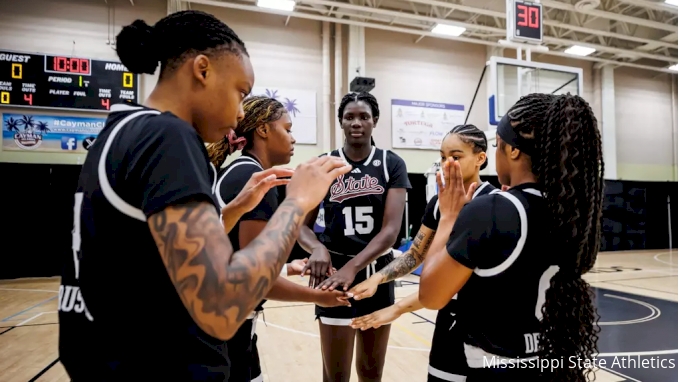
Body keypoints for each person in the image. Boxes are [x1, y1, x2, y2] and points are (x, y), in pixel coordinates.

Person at [57, 10, 351, 381]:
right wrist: (297, 203)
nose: (240, 110)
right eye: (240, 92)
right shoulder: (168, 137)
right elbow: (223, 306)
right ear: (202, 70)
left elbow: (150, 250)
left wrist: (232, 209)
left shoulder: (121, 131)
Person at [418, 93, 604, 381]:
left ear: (513, 151)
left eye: (496, 146)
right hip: (549, 361)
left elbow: (431, 295)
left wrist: (449, 217)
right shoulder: (570, 213)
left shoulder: (493, 209)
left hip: (496, 367)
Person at [206, 95, 350, 382]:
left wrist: (289, 267)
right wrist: (319, 297)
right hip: (227, 331)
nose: (293, 138)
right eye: (287, 129)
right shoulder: (256, 178)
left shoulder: (239, 170)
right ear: (263, 130)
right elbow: (255, 277)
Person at [349, 124, 496, 382]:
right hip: (447, 320)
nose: (446, 163)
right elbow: (415, 254)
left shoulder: (491, 204)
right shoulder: (437, 204)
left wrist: (398, 308)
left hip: (483, 323)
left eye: (456, 156)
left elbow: (456, 281)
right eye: (442, 156)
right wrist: (377, 278)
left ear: (480, 158)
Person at [297, 92, 412, 382]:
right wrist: (316, 249)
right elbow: (301, 227)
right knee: (335, 375)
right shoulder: (326, 164)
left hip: (377, 276)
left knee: (371, 373)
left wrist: (354, 268)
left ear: (375, 121)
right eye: (349, 117)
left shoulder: (391, 163)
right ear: (341, 122)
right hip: (334, 274)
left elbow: (390, 231)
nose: (357, 122)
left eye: (364, 117)